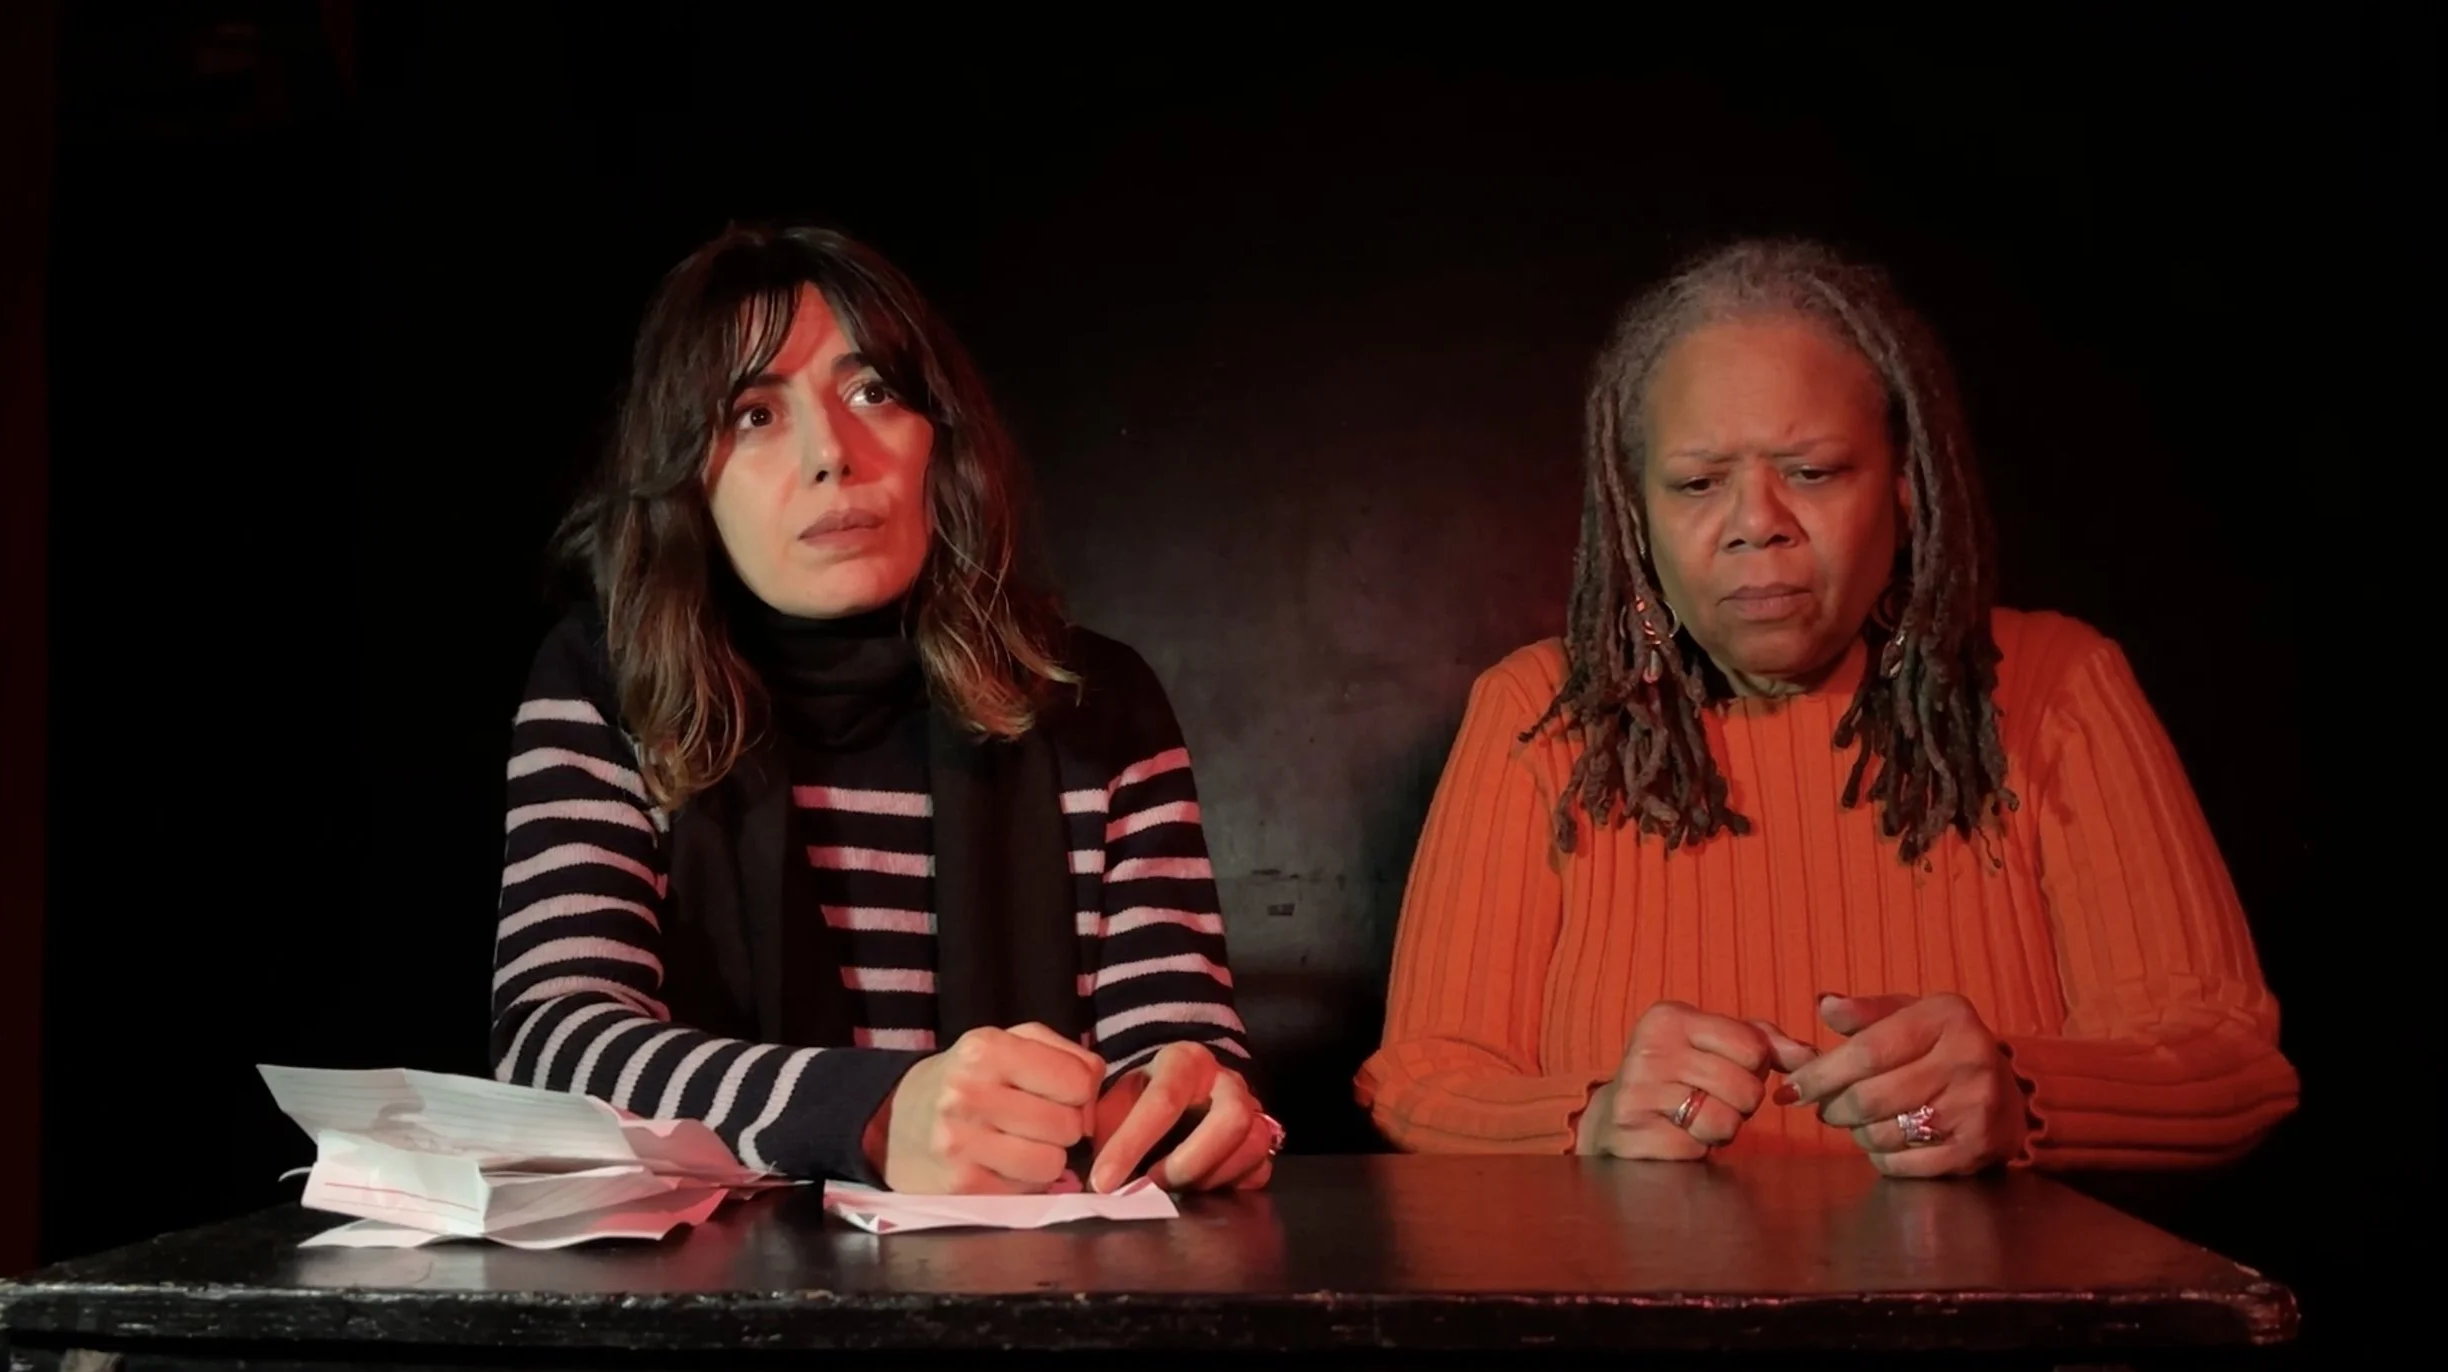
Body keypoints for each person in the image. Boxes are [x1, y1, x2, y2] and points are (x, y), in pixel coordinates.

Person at [1356, 239, 2297, 1175]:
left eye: (1812, 471)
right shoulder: (1539, 713)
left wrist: (2021, 1095)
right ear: (1634, 516)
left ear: (1905, 485)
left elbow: (2228, 1063)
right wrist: (1590, 1119)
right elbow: (1423, 1077)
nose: (1756, 521)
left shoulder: (2054, 688)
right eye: (1696, 483)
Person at [493, 223, 1276, 1195]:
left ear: (939, 440)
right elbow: (552, 1044)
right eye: (752, 414)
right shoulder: (605, 682)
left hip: (1040, 1302)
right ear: (688, 477)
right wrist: (866, 1112)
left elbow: (1172, 1033)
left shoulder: (1099, 704)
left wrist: (1191, 1104)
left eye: (874, 392)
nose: (834, 452)